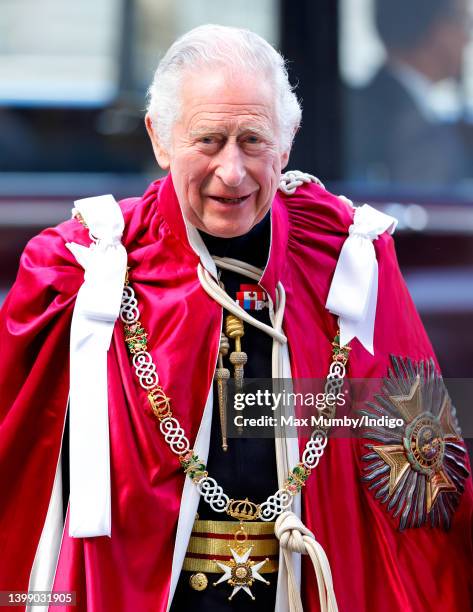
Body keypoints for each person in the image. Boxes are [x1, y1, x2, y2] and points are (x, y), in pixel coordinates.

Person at [0, 24, 472, 612]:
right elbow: (18, 479)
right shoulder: (79, 271)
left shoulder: (348, 260)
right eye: (209, 140)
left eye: (253, 140)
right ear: (159, 138)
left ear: (288, 140)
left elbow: (427, 479)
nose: (233, 171)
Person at [346, 0, 472, 186]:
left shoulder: (359, 108)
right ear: (435, 29)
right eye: (463, 21)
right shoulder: (407, 128)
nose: (467, 39)